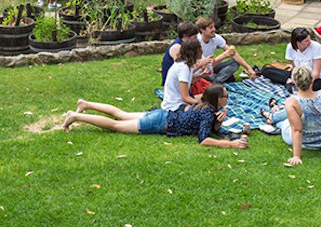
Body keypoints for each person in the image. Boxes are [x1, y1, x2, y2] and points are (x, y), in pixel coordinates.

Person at [63, 84, 244, 149]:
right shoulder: (207, 113)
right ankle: (75, 117)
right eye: (226, 96)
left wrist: (218, 123)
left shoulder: (203, 106)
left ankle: (85, 104)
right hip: (159, 123)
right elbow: (203, 139)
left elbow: (209, 128)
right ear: (219, 100)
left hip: (161, 114)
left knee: (121, 114)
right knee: (116, 125)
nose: (228, 99)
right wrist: (229, 144)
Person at [263, 67, 321, 165]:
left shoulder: (292, 102)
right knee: (294, 116)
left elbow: (297, 130)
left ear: (294, 82)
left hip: (307, 143)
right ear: (312, 79)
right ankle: (273, 117)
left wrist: (296, 156)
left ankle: (273, 117)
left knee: (286, 122)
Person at [195, 17, 257, 82]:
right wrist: (224, 55)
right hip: (199, 70)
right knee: (207, 75)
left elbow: (234, 53)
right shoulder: (196, 42)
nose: (214, 29)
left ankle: (217, 80)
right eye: (210, 28)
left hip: (211, 67)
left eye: (214, 27)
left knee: (235, 62)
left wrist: (249, 68)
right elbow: (204, 66)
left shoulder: (216, 38)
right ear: (202, 30)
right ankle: (217, 80)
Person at [161, 39, 206, 112]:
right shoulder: (183, 68)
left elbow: (186, 82)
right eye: (200, 49)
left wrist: (201, 75)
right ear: (195, 52)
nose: (202, 51)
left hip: (181, 101)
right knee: (204, 112)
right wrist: (201, 104)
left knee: (210, 96)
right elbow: (185, 97)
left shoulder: (187, 64)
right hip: (175, 106)